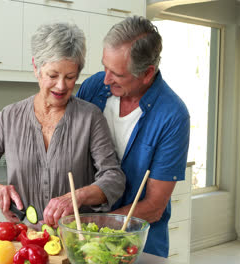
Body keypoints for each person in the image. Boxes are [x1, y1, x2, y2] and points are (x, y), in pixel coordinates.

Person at [0, 23, 125, 227]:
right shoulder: (9, 117)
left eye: (70, 77)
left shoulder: (90, 118)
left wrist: (77, 197)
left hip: (74, 239)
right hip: (25, 240)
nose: (61, 86)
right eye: (53, 75)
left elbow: (114, 177)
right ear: (36, 68)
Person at [76, 16, 190, 258]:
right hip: (83, 241)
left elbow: (154, 206)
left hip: (139, 247)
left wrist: (94, 228)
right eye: (104, 67)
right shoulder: (93, 88)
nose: (105, 79)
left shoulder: (173, 115)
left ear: (147, 73)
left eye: (116, 73)